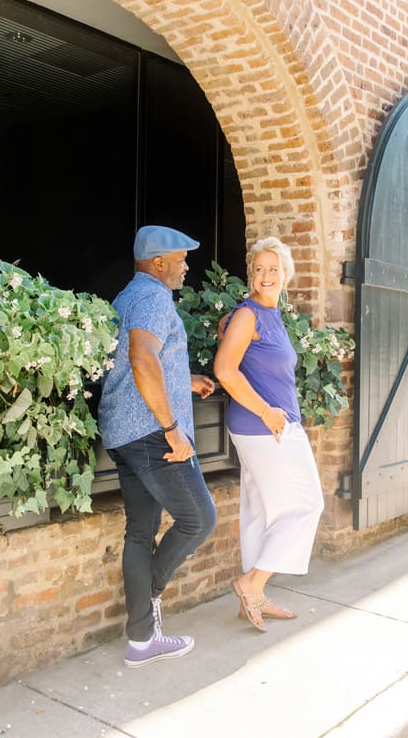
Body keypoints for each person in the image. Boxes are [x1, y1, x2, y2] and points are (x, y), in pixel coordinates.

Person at [98, 225, 218, 667]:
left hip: (123, 433)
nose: (187, 266)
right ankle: (149, 596)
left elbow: (139, 365)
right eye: (182, 259)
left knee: (140, 533)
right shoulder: (153, 297)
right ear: (158, 262)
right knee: (200, 519)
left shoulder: (127, 296)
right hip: (151, 434)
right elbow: (141, 358)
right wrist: (171, 427)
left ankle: (141, 641)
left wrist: (183, 382)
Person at [213, 236, 324, 632]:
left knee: (262, 511)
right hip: (264, 426)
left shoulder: (270, 313)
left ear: (286, 273)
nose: (265, 276)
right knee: (307, 504)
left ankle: (254, 597)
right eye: (258, 269)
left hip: (268, 426)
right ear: (250, 275)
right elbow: (225, 369)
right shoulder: (248, 315)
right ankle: (251, 582)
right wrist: (266, 412)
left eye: (273, 269)